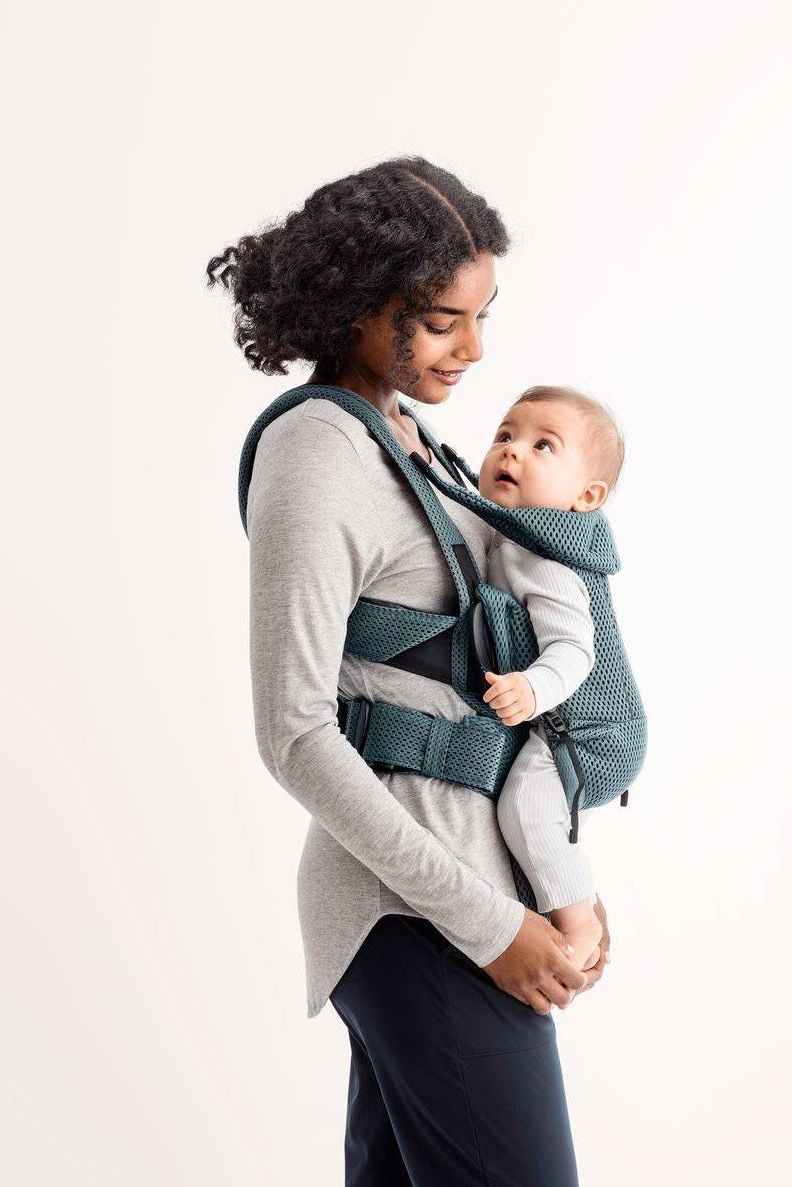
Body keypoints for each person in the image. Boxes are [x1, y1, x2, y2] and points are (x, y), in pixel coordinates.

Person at [207, 156, 610, 1186]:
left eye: (481, 318)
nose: (473, 349)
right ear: (356, 306)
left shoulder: (408, 435)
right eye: (440, 321)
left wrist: (556, 886)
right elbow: (293, 732)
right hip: (416, 916)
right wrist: (492, 924)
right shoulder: (317, 451)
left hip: (452, 901)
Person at [476, 384, 625, 973]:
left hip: (595, 731)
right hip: (562, 721)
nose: (512, 451)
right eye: (505, 436)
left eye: (544, 446)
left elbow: (574, 649)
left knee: (526, 807)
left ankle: (580, 921)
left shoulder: (546, 556)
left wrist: (532, 688)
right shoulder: (510, 534)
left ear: (586, 497)